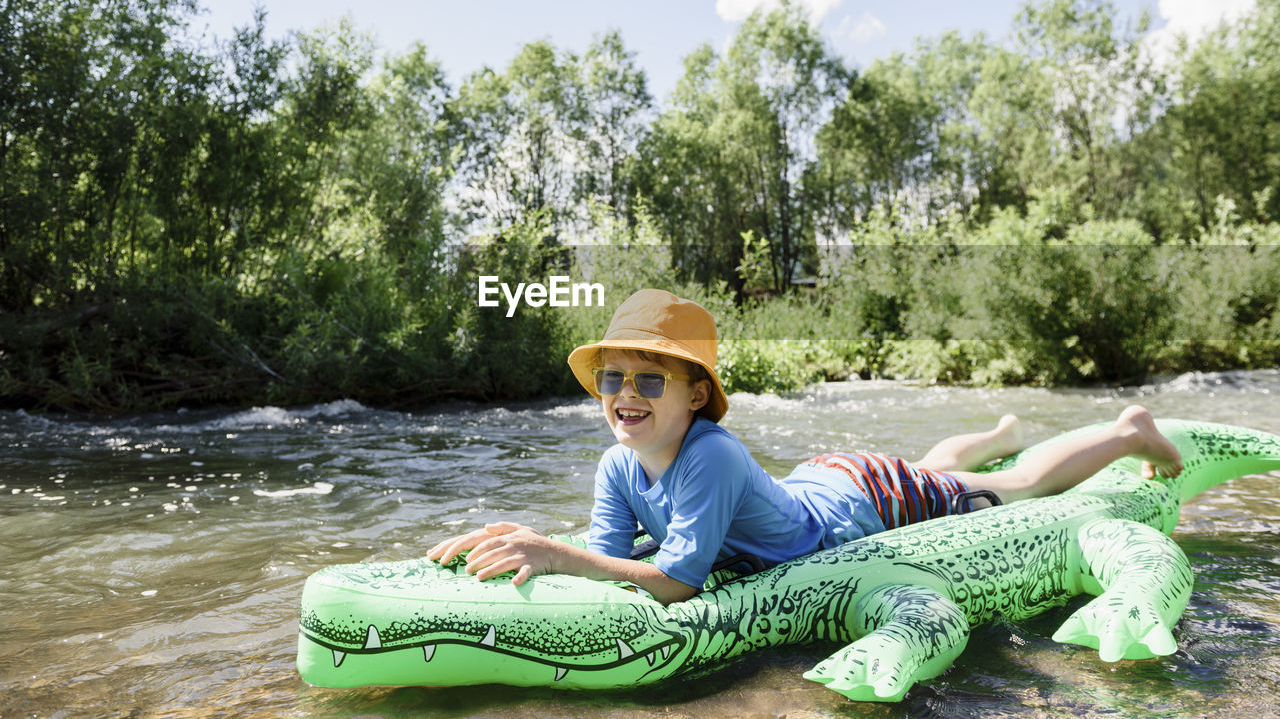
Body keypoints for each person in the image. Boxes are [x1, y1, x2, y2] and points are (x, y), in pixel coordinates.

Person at [427, 289, 1183, 605]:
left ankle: (1123, 432)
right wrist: (536, 551)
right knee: (941, 467)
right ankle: (989, 433)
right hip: (817, 480)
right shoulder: (616, 464)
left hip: (862, 503)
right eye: (612, 379)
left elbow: (674, 583)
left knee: (1012, 490)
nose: (626, 394)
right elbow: (608, 557)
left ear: (696, 396)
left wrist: (558, 555)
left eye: (650, 381)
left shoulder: (712, 455)